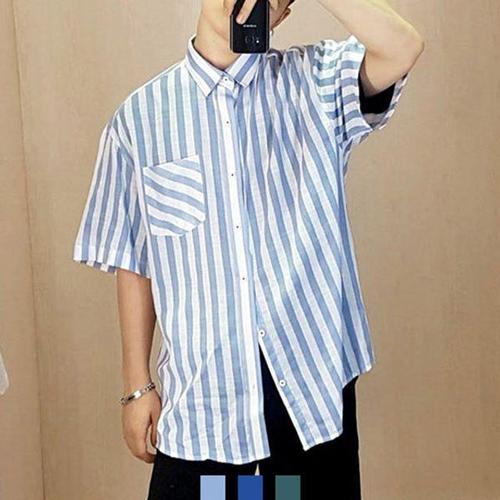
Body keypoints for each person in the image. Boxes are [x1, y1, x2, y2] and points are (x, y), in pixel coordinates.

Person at [72, 0, 424, 498]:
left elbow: (402, 46)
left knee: (293, 494)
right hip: (206, 399)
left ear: (282, 14)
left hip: (310, 391)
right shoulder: (140, 120)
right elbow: (136, 256)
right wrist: (137, 385)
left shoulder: (316, 84)